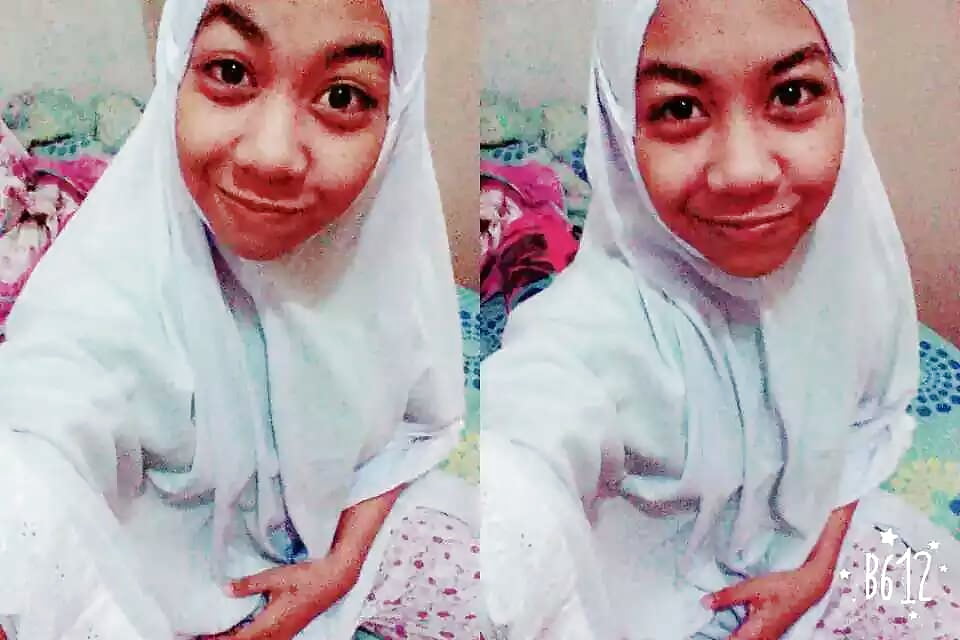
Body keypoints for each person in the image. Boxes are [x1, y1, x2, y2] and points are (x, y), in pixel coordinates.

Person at [0, 1, 484, 638]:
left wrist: (339, 566)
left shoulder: (382, 256)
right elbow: (37, 446)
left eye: (342, 96)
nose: (271, 156)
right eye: (230, 72)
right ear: (177, 70)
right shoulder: (107, 296)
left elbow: (413, 426)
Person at [480, 0, 960, 638]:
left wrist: (814, 571)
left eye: (791, 94)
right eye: (680, 108)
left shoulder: (849, 254)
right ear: (620, 129)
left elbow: (863, 418)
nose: (744, 173)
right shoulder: (589, 330)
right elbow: (522, 453)